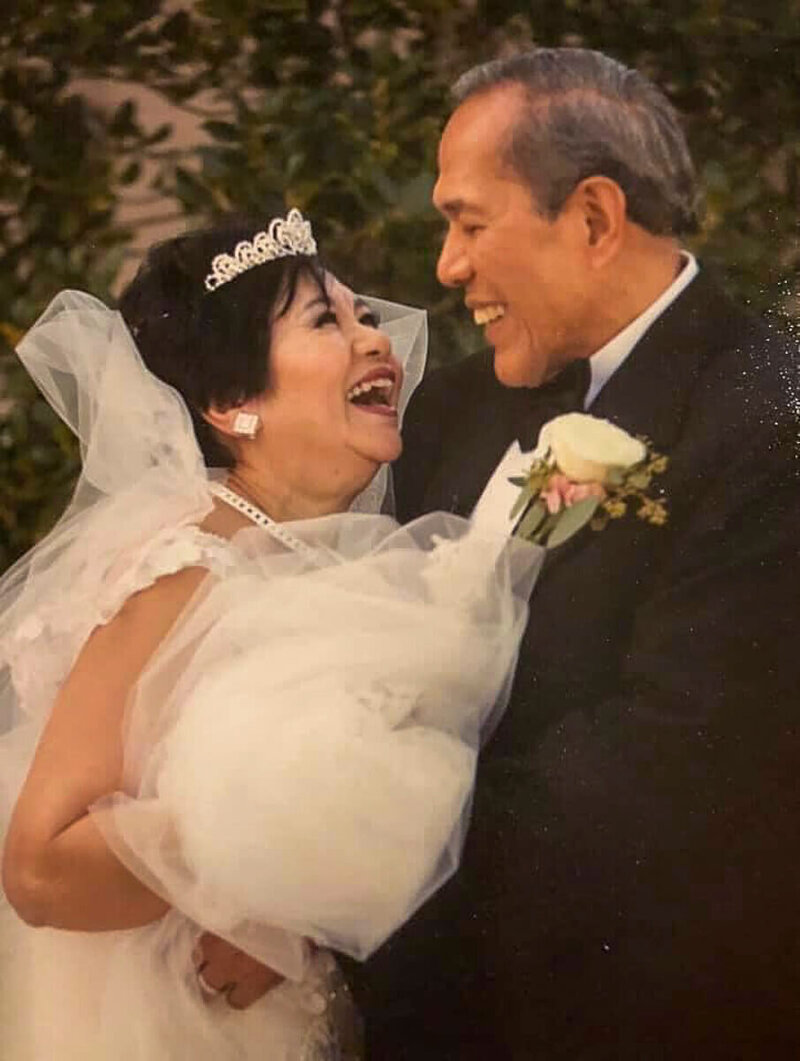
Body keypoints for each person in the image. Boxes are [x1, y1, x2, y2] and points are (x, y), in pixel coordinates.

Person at [0, 210, 538, 1059]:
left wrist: (297, 907)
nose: (375, 339)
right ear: (233, 402)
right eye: (326, 321)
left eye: (364, 314)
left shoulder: (330, 557)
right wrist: (249, 891)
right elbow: (39, 864)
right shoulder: (185, 565)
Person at [355, 47, 800, 1058]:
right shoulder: (447, 413)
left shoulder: (770, 425)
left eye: (469, 223)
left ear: (594, 219)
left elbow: (669, 763)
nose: (447, 266)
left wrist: (337, 878)